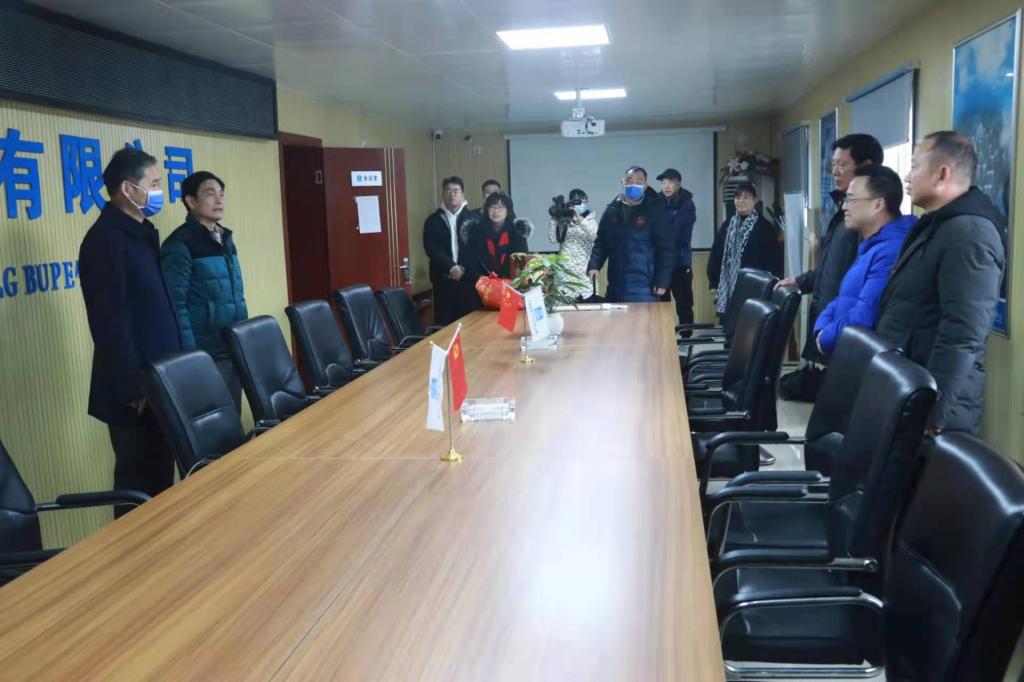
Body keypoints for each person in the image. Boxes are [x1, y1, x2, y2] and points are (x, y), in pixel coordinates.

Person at [875, 131, 1005, 434]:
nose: (907, 176)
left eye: (915, 166)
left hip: (933, 404)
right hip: (910, 385)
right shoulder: (937, 224)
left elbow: (962, 332)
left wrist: (932, 413)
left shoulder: (970, 233)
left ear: (942, 173)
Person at [79, 148, 182, 513]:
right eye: (153, 184)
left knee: (160, 482)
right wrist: (133, 387)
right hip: (134, 391)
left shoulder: (140, 233)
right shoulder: (106, 241)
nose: (159, 191)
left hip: (159, 379)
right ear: (127, 188)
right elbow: (110, 321)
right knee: (137, 488)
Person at [777, 134, 883, 401]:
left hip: (846, 331)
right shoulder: (843, 213)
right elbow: (831, 269)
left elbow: (859, 285)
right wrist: (800, 281)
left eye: (842, 165)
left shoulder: (868, 220)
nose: (835, 172)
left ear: (866, 166)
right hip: (831, 325)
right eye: (832, 165)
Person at [160, 171, 248, 408]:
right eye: (210, 194)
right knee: (214, 418)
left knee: (233, 416)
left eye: (221, 194)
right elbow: (175, 304)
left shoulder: (225, 238)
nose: (219, 200)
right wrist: (191, 355)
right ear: (191, 201)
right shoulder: (180, 244)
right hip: (206, 351)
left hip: (233, 344)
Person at [812, 166, 915, 355]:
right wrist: (821, 330)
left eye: (851, 200)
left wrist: (826, 338)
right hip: (847, 350)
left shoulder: (891, 251)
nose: (844, 207)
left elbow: (864, 315)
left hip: (863, 357)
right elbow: (842, 299)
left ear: (878, 204)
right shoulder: (871, 246)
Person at [587, 166, 674, 302]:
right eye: (629, 181)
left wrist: (662, 281)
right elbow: (601, 242)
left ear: (645, 185)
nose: (633, 185)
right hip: (616, 285)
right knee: (615, 316)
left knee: (643, 317)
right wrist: (594, 265)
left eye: (639, 182)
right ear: (623, 182)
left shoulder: (655, 209)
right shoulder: (612, 209)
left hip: (645, 286)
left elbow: (667, 248)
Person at [708, 182, 783, 317]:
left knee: (750, 324)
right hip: (728, 289)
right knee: (729, 325)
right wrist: (713, 282)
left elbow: (774, 260)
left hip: (755, 287)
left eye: (746, 197)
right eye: (737, 197)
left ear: (755, 200)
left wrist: (771, 286)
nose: (741, 201)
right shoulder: (727, 225)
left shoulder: (765, 227)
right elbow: (716, 254)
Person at [460, 192, 532, 310]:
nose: (496, 211)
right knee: (482, 321)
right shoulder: (475, 232)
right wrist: (484, 283)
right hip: (482, 290)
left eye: (500, 207)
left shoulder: (517, 233)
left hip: (511, 288)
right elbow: (470, 262)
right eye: (492, 207)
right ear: (486, 209)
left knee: (508, 320)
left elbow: (521, 264)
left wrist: (513, 284)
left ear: (508, 210)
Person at [423, 176, 475, 324]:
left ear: (463, 194)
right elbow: (431, 248)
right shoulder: (433, 220)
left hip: (467, 279)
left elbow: (476, 248)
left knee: (469, 322)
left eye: (456, 191)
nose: (452, 194)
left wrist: (463, 268)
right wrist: (451, 267)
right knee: (444, 323)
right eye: (448, 190)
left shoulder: (473, 219)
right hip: (442, 279)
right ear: (443, 193)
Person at [657, 168, 697, 328]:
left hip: (680, 265)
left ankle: (686, 340)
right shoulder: (656, 203)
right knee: (660, 308)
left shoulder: (687, 204)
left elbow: (678, 234)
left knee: (684, 307)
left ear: (678, 184)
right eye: (663, 183)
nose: (666, 186)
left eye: (670, 182)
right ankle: (663, 339)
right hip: (660, 267)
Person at [549, 188, 598, 300]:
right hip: (565, 274)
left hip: (584, 274)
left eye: (582, 201)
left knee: (588, 307)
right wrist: (555, 218)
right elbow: (552, 238)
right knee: (564, 307)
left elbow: (595, 235)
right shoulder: (564, 219)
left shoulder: (591, 220)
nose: (579, 204)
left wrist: (579, 218)